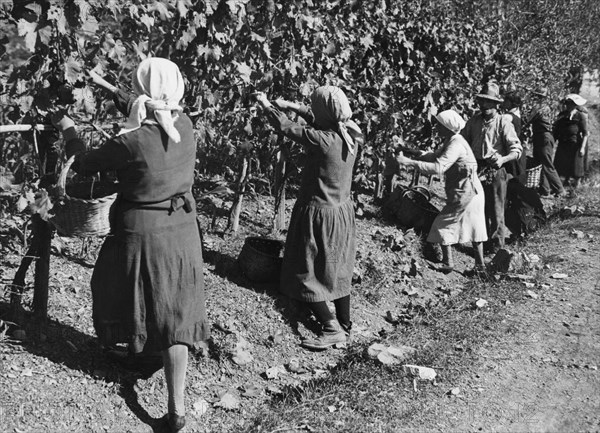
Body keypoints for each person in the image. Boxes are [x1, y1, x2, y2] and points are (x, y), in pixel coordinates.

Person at [52, 58, 209, 433]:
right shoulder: (185, 126)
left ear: (144, 93)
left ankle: (136, 349)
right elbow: (148, 104)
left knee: (116, 286)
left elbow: (85, 163)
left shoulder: (131, 141)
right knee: (175, 311)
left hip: (141, 234)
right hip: (183, 231)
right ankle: (177, 407)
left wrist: (68, 127)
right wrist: (104, 85)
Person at [253, 86, 363, 351]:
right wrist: (293, 104)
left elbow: (288, 128)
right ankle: (345, 323)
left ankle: (330, 327)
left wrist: (267, 105)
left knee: (304, 269)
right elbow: (318, 119)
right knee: (336, 266)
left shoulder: (322, 140)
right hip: (341, 214)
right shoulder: (351, 133)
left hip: (318, 214)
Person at [396, 110, 487, 274]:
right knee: (475, 225)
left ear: (447, 127)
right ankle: (480, 266)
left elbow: (439, 167)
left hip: (466, 191)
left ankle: (447, 263)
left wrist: (409, 162)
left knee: (442, 223)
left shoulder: (456, 144)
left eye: (439, 124)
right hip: (473, 189)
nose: (436, 127)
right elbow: (437, 156)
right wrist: (418, 154)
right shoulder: (453, 140)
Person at [461, 81, 523, 253]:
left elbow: (516, 149)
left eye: (489, 102)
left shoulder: (503, 122)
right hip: (475, 169)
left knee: (496, 209)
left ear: (496, 104)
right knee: (477, 207)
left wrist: (503, 159)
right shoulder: (474, 121)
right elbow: (462, 141)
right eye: (482, 101)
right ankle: (481, 242)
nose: (484, 105)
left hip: (495, 170)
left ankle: (497, 248)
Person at [527, 89, 565, 197]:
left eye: (537, 96)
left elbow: (528, 120)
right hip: (541, 137)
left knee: (547, 164)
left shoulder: (539, 107)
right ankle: (545, 190)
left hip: (543, 137)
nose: (535, 98)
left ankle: (560, 190)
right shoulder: (548, 108)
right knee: (540, 163)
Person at [553, 93, 588, 187]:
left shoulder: (580, 116)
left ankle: (577, 186)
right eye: (567, 103)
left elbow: (585, 133)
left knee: (576, 166)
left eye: (571, 104)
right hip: (563, 143)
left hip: (575, 144)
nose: (569, 106)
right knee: (561, 164)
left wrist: (582, 148)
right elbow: (556, 130)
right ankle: (563, 183)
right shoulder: (562, 115)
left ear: (575, 105)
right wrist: (553, 142)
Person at [500, 91, 527, 184]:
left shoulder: (507, 117)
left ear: (512, 103)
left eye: (506, 101)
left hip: (510, 149)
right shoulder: (517, 113)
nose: (503, 102)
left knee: (511, 176)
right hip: (517, 149)